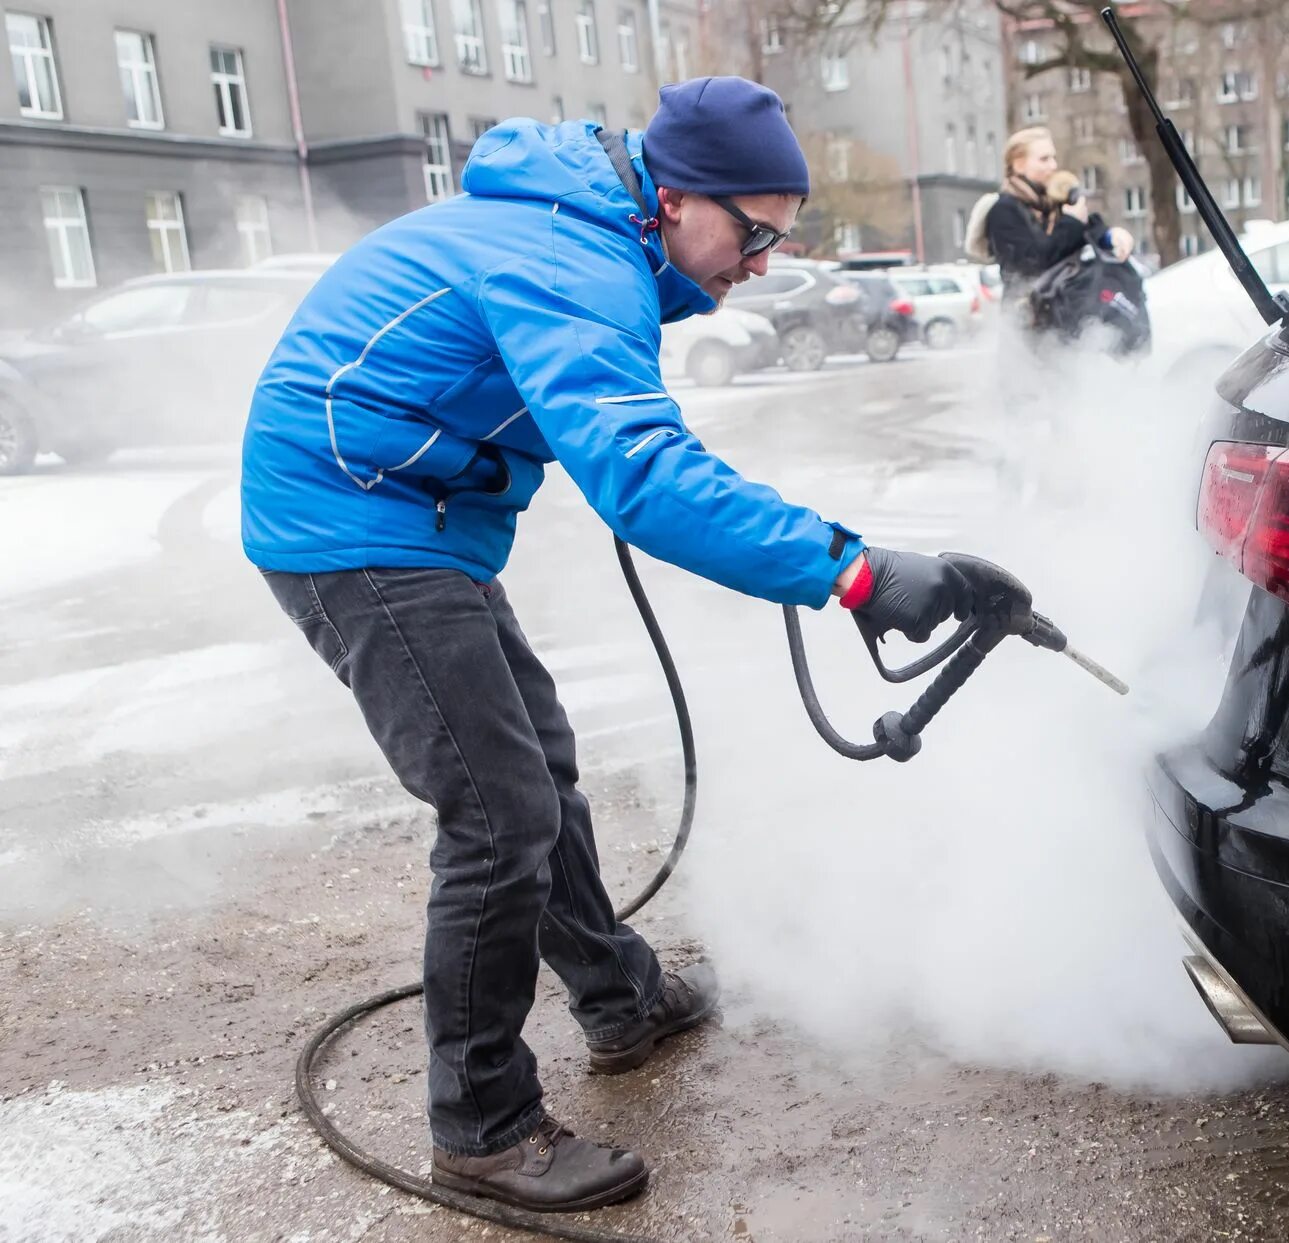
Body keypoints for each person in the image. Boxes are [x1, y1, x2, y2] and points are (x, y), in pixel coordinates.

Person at [240, 77, 974, 1213]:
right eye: (756, 233)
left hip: (416, 515)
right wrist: (853, 569)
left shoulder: (592, 235)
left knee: (540, 763)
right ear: (677, 198)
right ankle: (482, 1127)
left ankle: (619, 997)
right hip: (349, 520)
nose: (766, 263)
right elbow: (643, 477)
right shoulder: (568, 255)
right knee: (497, 811)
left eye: (784, 236)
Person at [979, 127, 1135, 309]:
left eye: (1053, 158)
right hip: (1028, 320)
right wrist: (1071, 223)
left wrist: (1111, 236)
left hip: (1065, 315)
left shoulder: (1055, 202)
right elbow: (1030, 264)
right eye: (1044, 159)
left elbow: (1088, 232)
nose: (1053, 166)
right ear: (1019, 165)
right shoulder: (1004, 210)